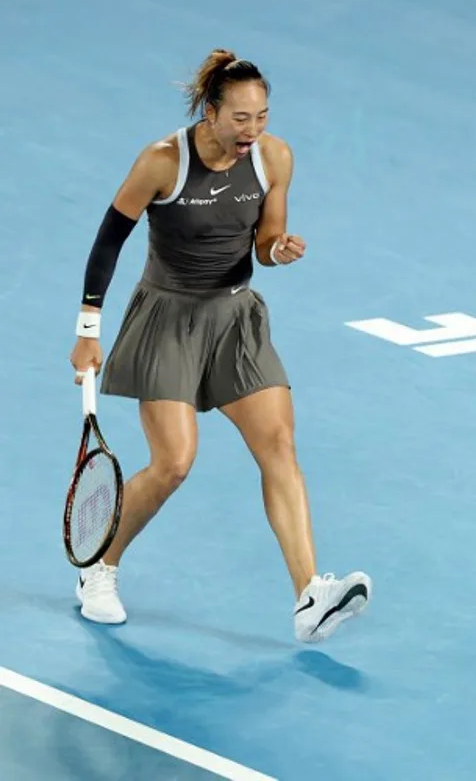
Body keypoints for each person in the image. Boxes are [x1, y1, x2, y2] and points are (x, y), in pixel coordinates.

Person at [68, 48, 371, 644]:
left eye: (260, 117)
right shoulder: (162, 162)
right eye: (240, 118)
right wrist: (86, 333)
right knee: (175, 462)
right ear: (211, 112)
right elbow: (108, 242)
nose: (251, 131)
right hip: (167, 319)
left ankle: (310, 595)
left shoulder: (274, 157)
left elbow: (266, 240)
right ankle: (98, 567)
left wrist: (278, 250)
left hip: (236, 317)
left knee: (279, 443)